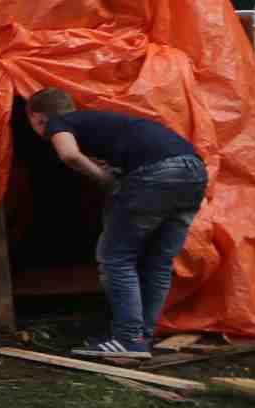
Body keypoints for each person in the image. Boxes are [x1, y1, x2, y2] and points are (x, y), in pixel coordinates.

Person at [25, 88, 209, 357]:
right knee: (157, 262)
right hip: (193, 172)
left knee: (116, 257)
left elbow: (69, 155)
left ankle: (128, 338)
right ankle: (141, 337)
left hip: (159, 173)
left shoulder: (58, 122)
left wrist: (105, 181)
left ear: (37, 117)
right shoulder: (104, 125)